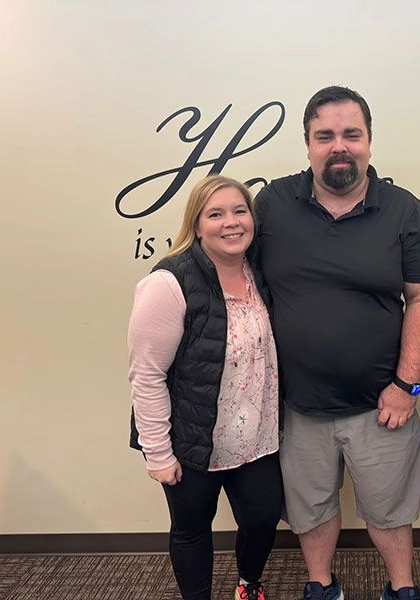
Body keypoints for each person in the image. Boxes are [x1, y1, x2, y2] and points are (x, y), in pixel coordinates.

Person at [254, 85, 420, 600]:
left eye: (351, 134)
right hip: (296, 404)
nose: (339, 145)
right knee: (310, 509)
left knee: (390, 508)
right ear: (308, 144)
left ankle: (401, 588)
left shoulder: (404, 210)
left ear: (369, 142)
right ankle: (321, 585)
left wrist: (407, 384)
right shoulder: (272, 203)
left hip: (384, 403)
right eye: (325, 136)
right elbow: (240, 279)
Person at [128, 175, 283, 600]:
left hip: (256, 440)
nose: (231, 223)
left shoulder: (260, 274)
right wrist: (158, 452)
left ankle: (249, 584)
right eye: (215, 214)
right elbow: (147, 374)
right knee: (192, 530)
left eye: (239, 211)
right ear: (197, 225)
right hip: (193, 442)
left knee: (263, 520)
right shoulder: (168, 282)